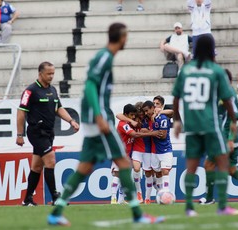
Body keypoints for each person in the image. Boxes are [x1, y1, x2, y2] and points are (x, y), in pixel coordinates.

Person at [47, 23, 164, 226]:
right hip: (98, 118)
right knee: (123, 162)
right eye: (126, 36)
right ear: (120, 37)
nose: (127, 40)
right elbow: (91, 85)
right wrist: (100, 117)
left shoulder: (104, 58)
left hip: (94, 118)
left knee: (84, 167)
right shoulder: (104, 58)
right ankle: (137, 214)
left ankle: (56, 212)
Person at [172, 34, 238, 216]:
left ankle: (189, 208)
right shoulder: (216, 71)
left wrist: (177, 121)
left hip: (192, 125)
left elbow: (176, 98)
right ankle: (223, 207)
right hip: (211, 124)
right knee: (222, 162)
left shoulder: (186, 71)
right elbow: (227, 100)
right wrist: (233, 120)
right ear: (212, 49)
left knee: (192, 166)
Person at [16, 62, 80, 206]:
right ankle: (56, 197)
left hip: (49, 133)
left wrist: (71, 121)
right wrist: (20, 135)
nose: (51, 76)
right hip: (36, 132)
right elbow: (20, 113)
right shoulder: (30, 91)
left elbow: (59, 108)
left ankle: (27, 200)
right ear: (40, 74)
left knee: (37, 167)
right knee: (50, 160)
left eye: (53, 73)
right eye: (48, 74)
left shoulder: (52, 90)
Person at [199, 69, 238, 205]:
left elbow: (235, 119)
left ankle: (210, 198)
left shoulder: (227, 94)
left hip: (226, 138)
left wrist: (229, 139)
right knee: (231, 169)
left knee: (209, 164)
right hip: (229, 137)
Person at [142, 101, 173, 192]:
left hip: (165, 149)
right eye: (145, 111)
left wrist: (149, 132)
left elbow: (162, 135)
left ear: (153, 108)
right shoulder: (149, 119)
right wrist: (152, 132)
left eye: (147, 110)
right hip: (155, 151)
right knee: (157, 172)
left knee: (165, 171)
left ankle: (166, 192)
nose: (146, 113)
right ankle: (159, 191)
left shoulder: (162, 118)